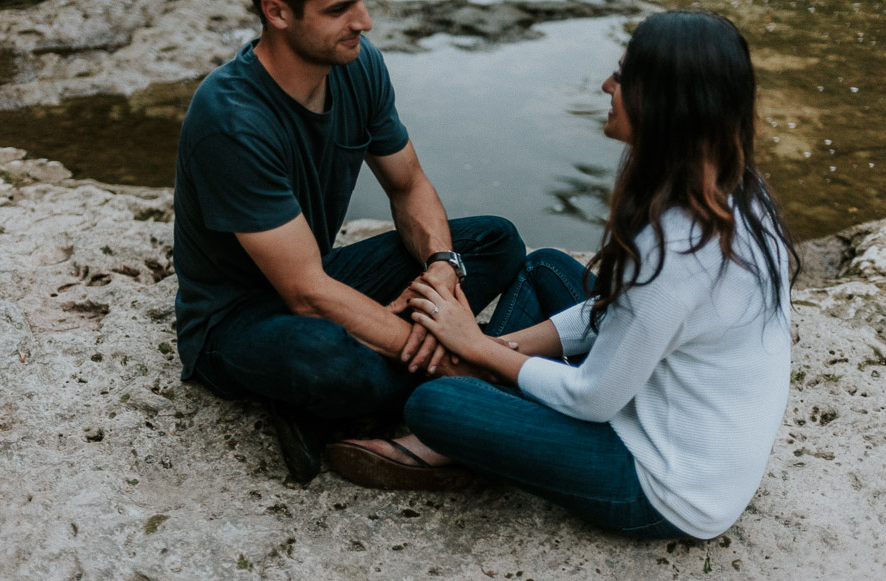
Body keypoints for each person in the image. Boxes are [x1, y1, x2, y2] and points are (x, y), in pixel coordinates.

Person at [326, 9, 801, 540]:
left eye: (622, 77)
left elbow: (594, 399)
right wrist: (504, 349)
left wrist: (479, 350)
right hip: (657, 412)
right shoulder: (732, 189)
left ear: (662, 104)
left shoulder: (678, 252)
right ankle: (490, 400)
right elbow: (618, 312)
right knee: (544, 267)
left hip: (663, 486)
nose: (606, 84)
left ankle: (468, 427)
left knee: (434, 404)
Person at [172, 0, 525, 484]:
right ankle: (338, 389)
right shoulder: (230, 118)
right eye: (339, 9)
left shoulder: (358, 63)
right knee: (329, 359)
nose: (363, 22)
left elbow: (408, 185)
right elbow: (306, 293)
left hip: (318, 274)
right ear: (277, 12)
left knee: (495, 240)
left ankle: (332, 403)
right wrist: (455, 360)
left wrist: (441, 270)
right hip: (235, 319)